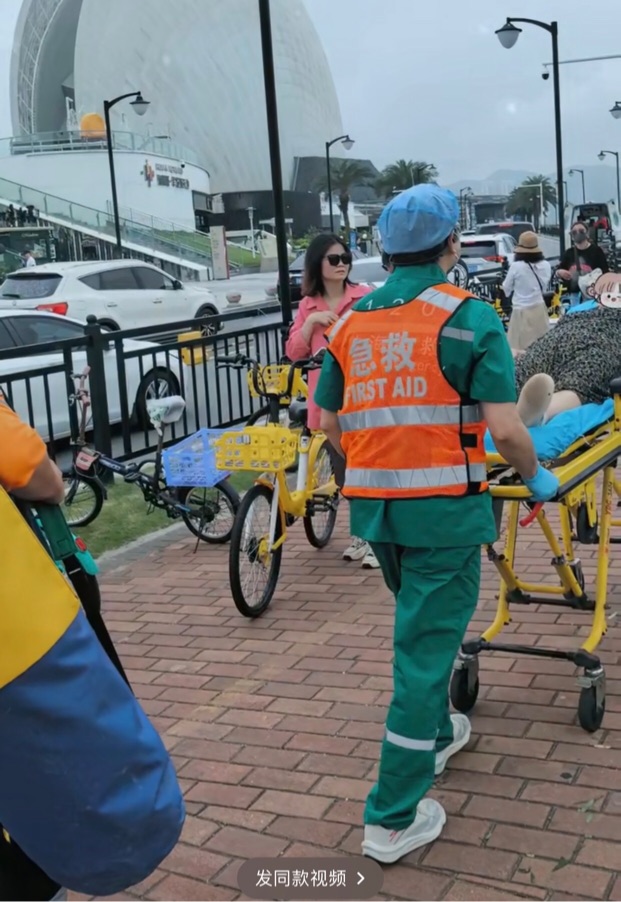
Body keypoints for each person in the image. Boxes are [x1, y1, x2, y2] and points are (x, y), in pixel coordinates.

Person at [314, 183, 559, 863]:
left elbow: (330, 423)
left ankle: (442, 729)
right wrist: (539, 477)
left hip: (378, 516)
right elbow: (507, 431)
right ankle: (391, 817)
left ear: (385, 251)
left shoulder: (350, 326)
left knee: (425, 634)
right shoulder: (469, 318)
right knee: (421, 658)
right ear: (452, 245)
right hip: (445, 516)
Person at [285, 233, 379, 569]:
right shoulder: (307, 305)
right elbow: (294, 353)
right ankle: (361, 535)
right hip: (327, 401)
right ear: (317, 265)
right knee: (344, 472)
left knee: (367, 466)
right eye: (333, 259)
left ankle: (374, 538)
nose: (342, 265)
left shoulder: (364, 297)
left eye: (345, 259)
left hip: (362, 396)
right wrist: (310, 324)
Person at [515, 270, 621, 426]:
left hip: (586, 341)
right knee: (583, 379)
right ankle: (534, 409)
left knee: (583, 376)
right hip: (574, 339)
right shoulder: (586, 310)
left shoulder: (584, 309)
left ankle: (535, 411)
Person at [502, 231, 551, 351]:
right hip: (540, 310)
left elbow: (506, 289)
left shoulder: (516, 266)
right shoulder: (546, 265)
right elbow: (544, 287)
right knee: (541, 349)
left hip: (520, 313)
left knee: (517, 351)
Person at [556, 221, 609, 305]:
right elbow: (559, 270)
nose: (578, 233)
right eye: (574, 232)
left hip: (592, 295)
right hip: (574, 296)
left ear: (587, 233)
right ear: (571, 236)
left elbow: (605, 272)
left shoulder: (596, 251)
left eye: (581, 231)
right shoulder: (568, 253)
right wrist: (560, 272)